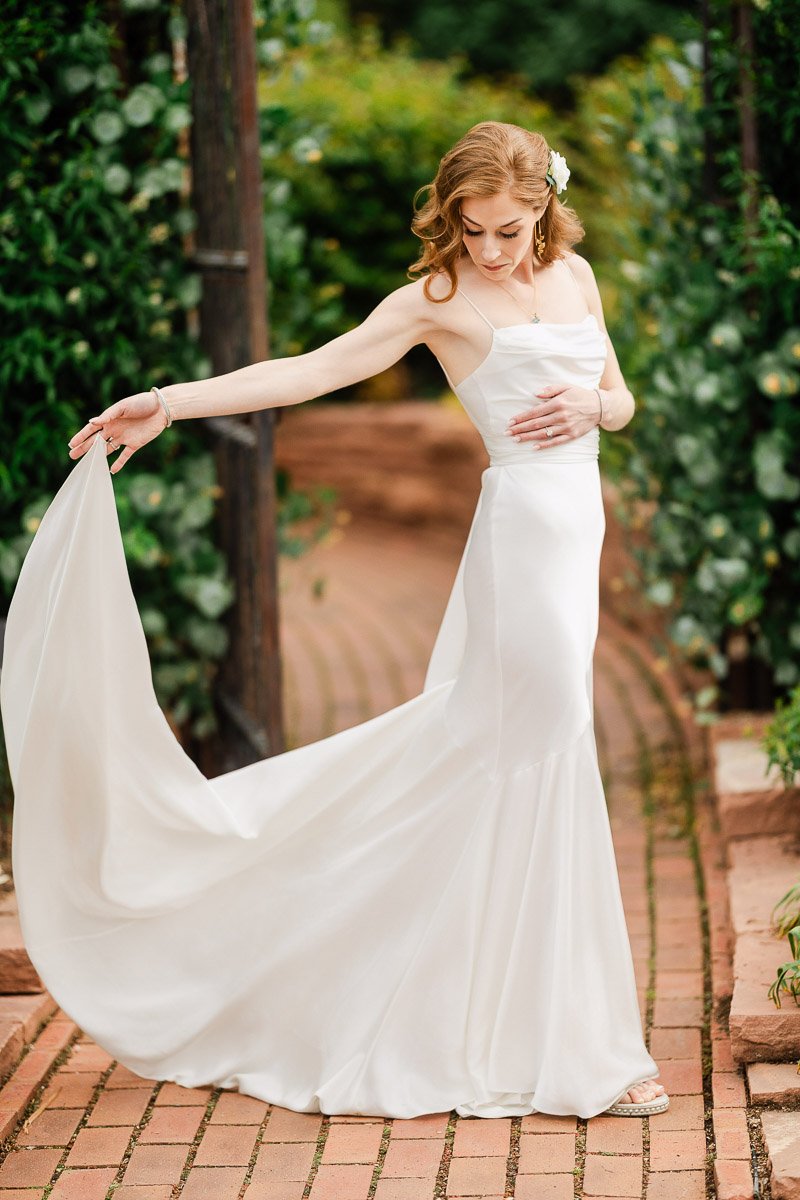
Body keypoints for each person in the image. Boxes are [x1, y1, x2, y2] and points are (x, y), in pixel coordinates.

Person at [4, 120, 668, 1120]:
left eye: (509, 229)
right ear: (448, 220)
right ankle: (583, 1049)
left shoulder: (572, 277)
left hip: (578, 518)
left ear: (542, 210)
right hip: (523, 535)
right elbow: (307, 372)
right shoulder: (433, 302)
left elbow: (618, 400)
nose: (491, 250)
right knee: (544, 749)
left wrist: (591, 410)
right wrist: (168, 402)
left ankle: (518, 1020)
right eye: (472, 229)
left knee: (506, 759)